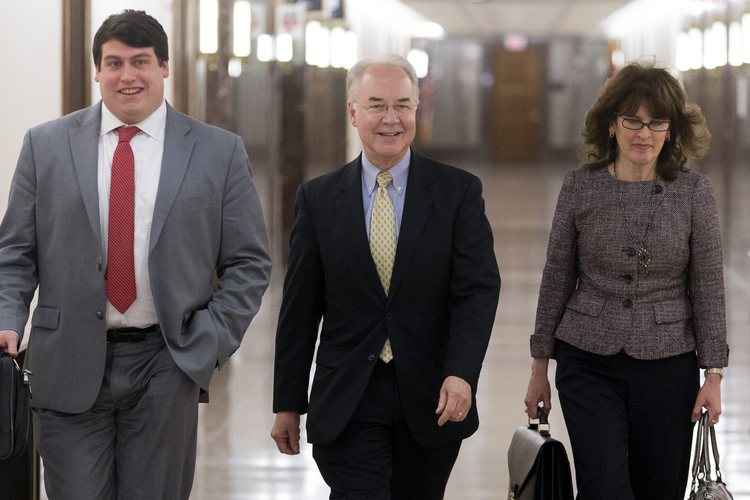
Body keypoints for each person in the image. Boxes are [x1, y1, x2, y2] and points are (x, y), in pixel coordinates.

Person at [0, 10, 271, 499]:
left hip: (166, 362)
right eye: (114, 62)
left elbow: (249, 262)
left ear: (164, 67)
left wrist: (208, 339)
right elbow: (15, 254)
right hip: (67, 363)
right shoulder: (46, 146)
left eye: (141, 61)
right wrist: (8, 318)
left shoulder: (218, 152)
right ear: (98, 71)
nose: (128, 76)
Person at [270, 54, 500, 499]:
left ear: (418, 110)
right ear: (353, 112)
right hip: (349, 396)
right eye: (376, 105)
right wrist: (287, 403)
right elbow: (300, 309)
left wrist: (461, 373)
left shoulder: (458, 193)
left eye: (403, 105)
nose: (391, 119)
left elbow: (476, 293)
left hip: (430, 396)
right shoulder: (318, 200)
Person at [524, 61, 728, 500]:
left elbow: (708, 287)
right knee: (605, 488)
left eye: (657, 122)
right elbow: (556, 276)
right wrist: (539, 366)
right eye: (632, 120)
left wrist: (713, 374)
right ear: (612, 126)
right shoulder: (580, 187)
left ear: (671, 130)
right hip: (588, 361)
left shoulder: (694, 193)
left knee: (660, 489)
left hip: (668, 364)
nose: (644, 132)